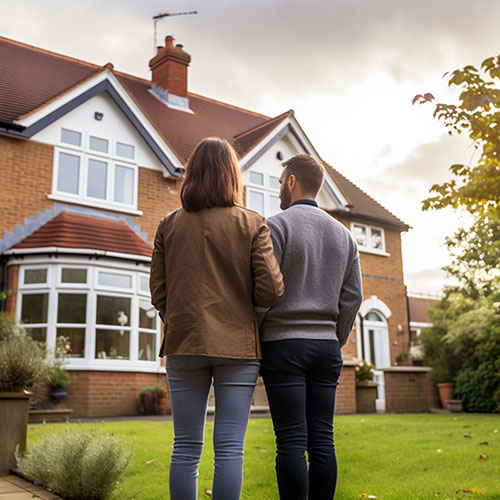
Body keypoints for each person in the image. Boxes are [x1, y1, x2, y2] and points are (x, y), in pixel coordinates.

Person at [150, 137, 284, 500]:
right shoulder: (253, 223)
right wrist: (245, 311)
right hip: (238, 346)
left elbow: (158, 292)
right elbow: (271, 290)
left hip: (184, 342)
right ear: (232, 175)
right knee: (229, 450)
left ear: (192, 174)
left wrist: (179, 317)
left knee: (185, 448)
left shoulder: (168, 224)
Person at [260, 154, 363, 500]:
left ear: (291, 181)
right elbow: (353, 298)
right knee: (322, 437)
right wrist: (334, 339)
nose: (279, 189)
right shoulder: (344, 236)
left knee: (290, 438)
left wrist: (259, 335)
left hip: (283, 345)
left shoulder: (276, 226)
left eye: (280, 182)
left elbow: (262, 291)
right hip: (326, 348)